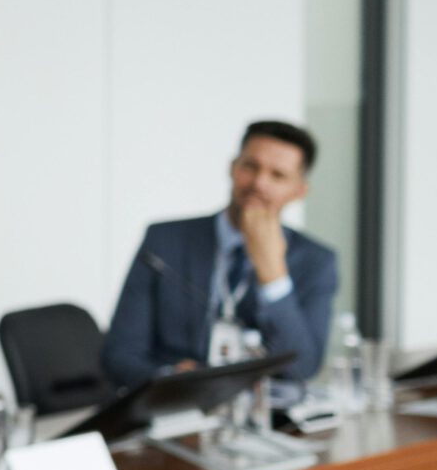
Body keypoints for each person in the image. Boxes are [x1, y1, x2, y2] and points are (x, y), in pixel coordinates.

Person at [103, 119, 339, 388]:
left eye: (278, 176)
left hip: (261, 408)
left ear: (299, 191)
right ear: (233, 168)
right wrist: (171, 379)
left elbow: (303, 367)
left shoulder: (317, 261)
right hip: (177, 403)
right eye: (250, 166)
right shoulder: (165, 240)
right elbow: (118, 355)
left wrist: (273, 276)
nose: (259, 183)